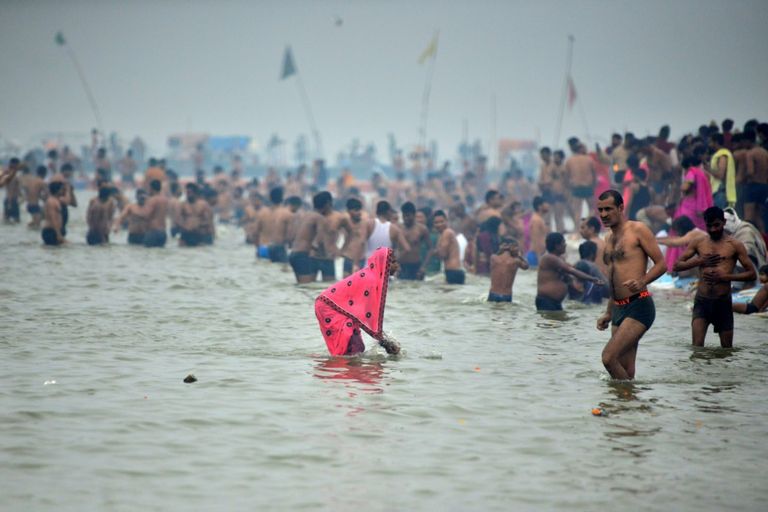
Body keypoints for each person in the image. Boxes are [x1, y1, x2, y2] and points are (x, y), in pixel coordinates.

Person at [596, 190, 666, 380]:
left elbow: (662, 264)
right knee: (626, 369)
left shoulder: (638, 230)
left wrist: (642, 281)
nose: (603, 214)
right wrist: (609, 312)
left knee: (608, 358)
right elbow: (613, 279)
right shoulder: (608, 239)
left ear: (620, 208)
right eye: (600, 210)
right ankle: (627, 406)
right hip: (618, 308)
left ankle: (628, 399)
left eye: (608, 209)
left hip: (639, 305)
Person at [673, 207, 756, 347]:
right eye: (709, 226)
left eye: (716, 225)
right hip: (702, 301)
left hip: (722, 302)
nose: (713, 229)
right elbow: (677, 266)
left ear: (724, 222)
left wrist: (726, 277)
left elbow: (752, 273)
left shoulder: (735, 245)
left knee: (726, 351)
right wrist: (700, 261)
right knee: (697, 349)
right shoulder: (698, 242)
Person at [314, 247, 400, 356]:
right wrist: (384, 342)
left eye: (396, 262)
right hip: (329, 306)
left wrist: (382, 339)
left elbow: (367, 316)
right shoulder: (371, 280)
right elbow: (367, 317)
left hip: (337, 307)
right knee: (350, 346)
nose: (396, 266)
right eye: (392, 262)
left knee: (357, 348)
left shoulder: (374, 278)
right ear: (382, 262)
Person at [536, 232, 602, 311]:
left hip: (555, 302)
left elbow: (570, 271)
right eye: (563, 242)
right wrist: (592, 279)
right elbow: (571, 270)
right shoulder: (549, 258)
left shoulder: (559, 259)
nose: (565, 245)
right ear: (557, 246)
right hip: (546, 301)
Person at [289, 191, 336, 283]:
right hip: (302, 255)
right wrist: (326, 255)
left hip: (293, 254)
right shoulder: (319, 218)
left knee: (301, 287)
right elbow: (319, 241)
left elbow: (291, 236)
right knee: (308, 287)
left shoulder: (305, 215)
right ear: (328, 204)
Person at [423, 210, 465, 284]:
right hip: (452, 271)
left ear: (447, 221)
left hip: (453, 271)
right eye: (436, 223)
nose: (439, 224)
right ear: (433, 224)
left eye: (442, 222)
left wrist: (432, 252)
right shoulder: (442, 234)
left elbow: (443, 254)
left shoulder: (447, 233)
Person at [488, 237, 529, 302]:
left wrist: (502, 249)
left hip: (493, 294)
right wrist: (520, 256)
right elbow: (526, 266)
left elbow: (497, 253)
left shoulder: (493, 258)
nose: (518, 250)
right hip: (506, 296)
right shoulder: (516, 261)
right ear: (512, 247)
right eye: (516, 247)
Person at [398, 201, 431, 280]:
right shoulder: (398, 228)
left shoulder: (422, 229)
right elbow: (391, 248)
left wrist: (423, 267)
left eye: (408, 215)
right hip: (401, 267)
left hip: (416, 267)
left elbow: (430, 249)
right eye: (404, 216)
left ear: (414, 215)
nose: (406, 218)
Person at [179, 183, 214, 247]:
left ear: (195, 193)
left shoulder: (203, 204)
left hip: (200, 234)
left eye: (189, 192)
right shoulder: (183, 205)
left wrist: (199, 225)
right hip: (187, 233)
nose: (187, 195)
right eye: (186, 192)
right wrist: (185, 227)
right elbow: (179, 219)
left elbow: (209, 220)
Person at [140, 179, 169, 248]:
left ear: (151, 188)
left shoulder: (152, 200)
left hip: (153, 232)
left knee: (149, 254)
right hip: (163, 232)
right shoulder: (165, 200)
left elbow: (146, 215)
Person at [41, 181, 66, 246]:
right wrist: (58, 234)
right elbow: (53, 218)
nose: (63, 191)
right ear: (57, 190)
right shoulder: (51, 201)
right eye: (62, 189)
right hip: (51, 231)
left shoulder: (56, 200)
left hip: (54, 231)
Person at [527, 196, 550, 266]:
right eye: (546, 203)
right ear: (540, 206)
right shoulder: (536, 220)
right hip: (535, 255)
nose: (548, 205)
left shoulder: (539, 219)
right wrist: (539, 257)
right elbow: (535, 239)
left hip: (539, 254)